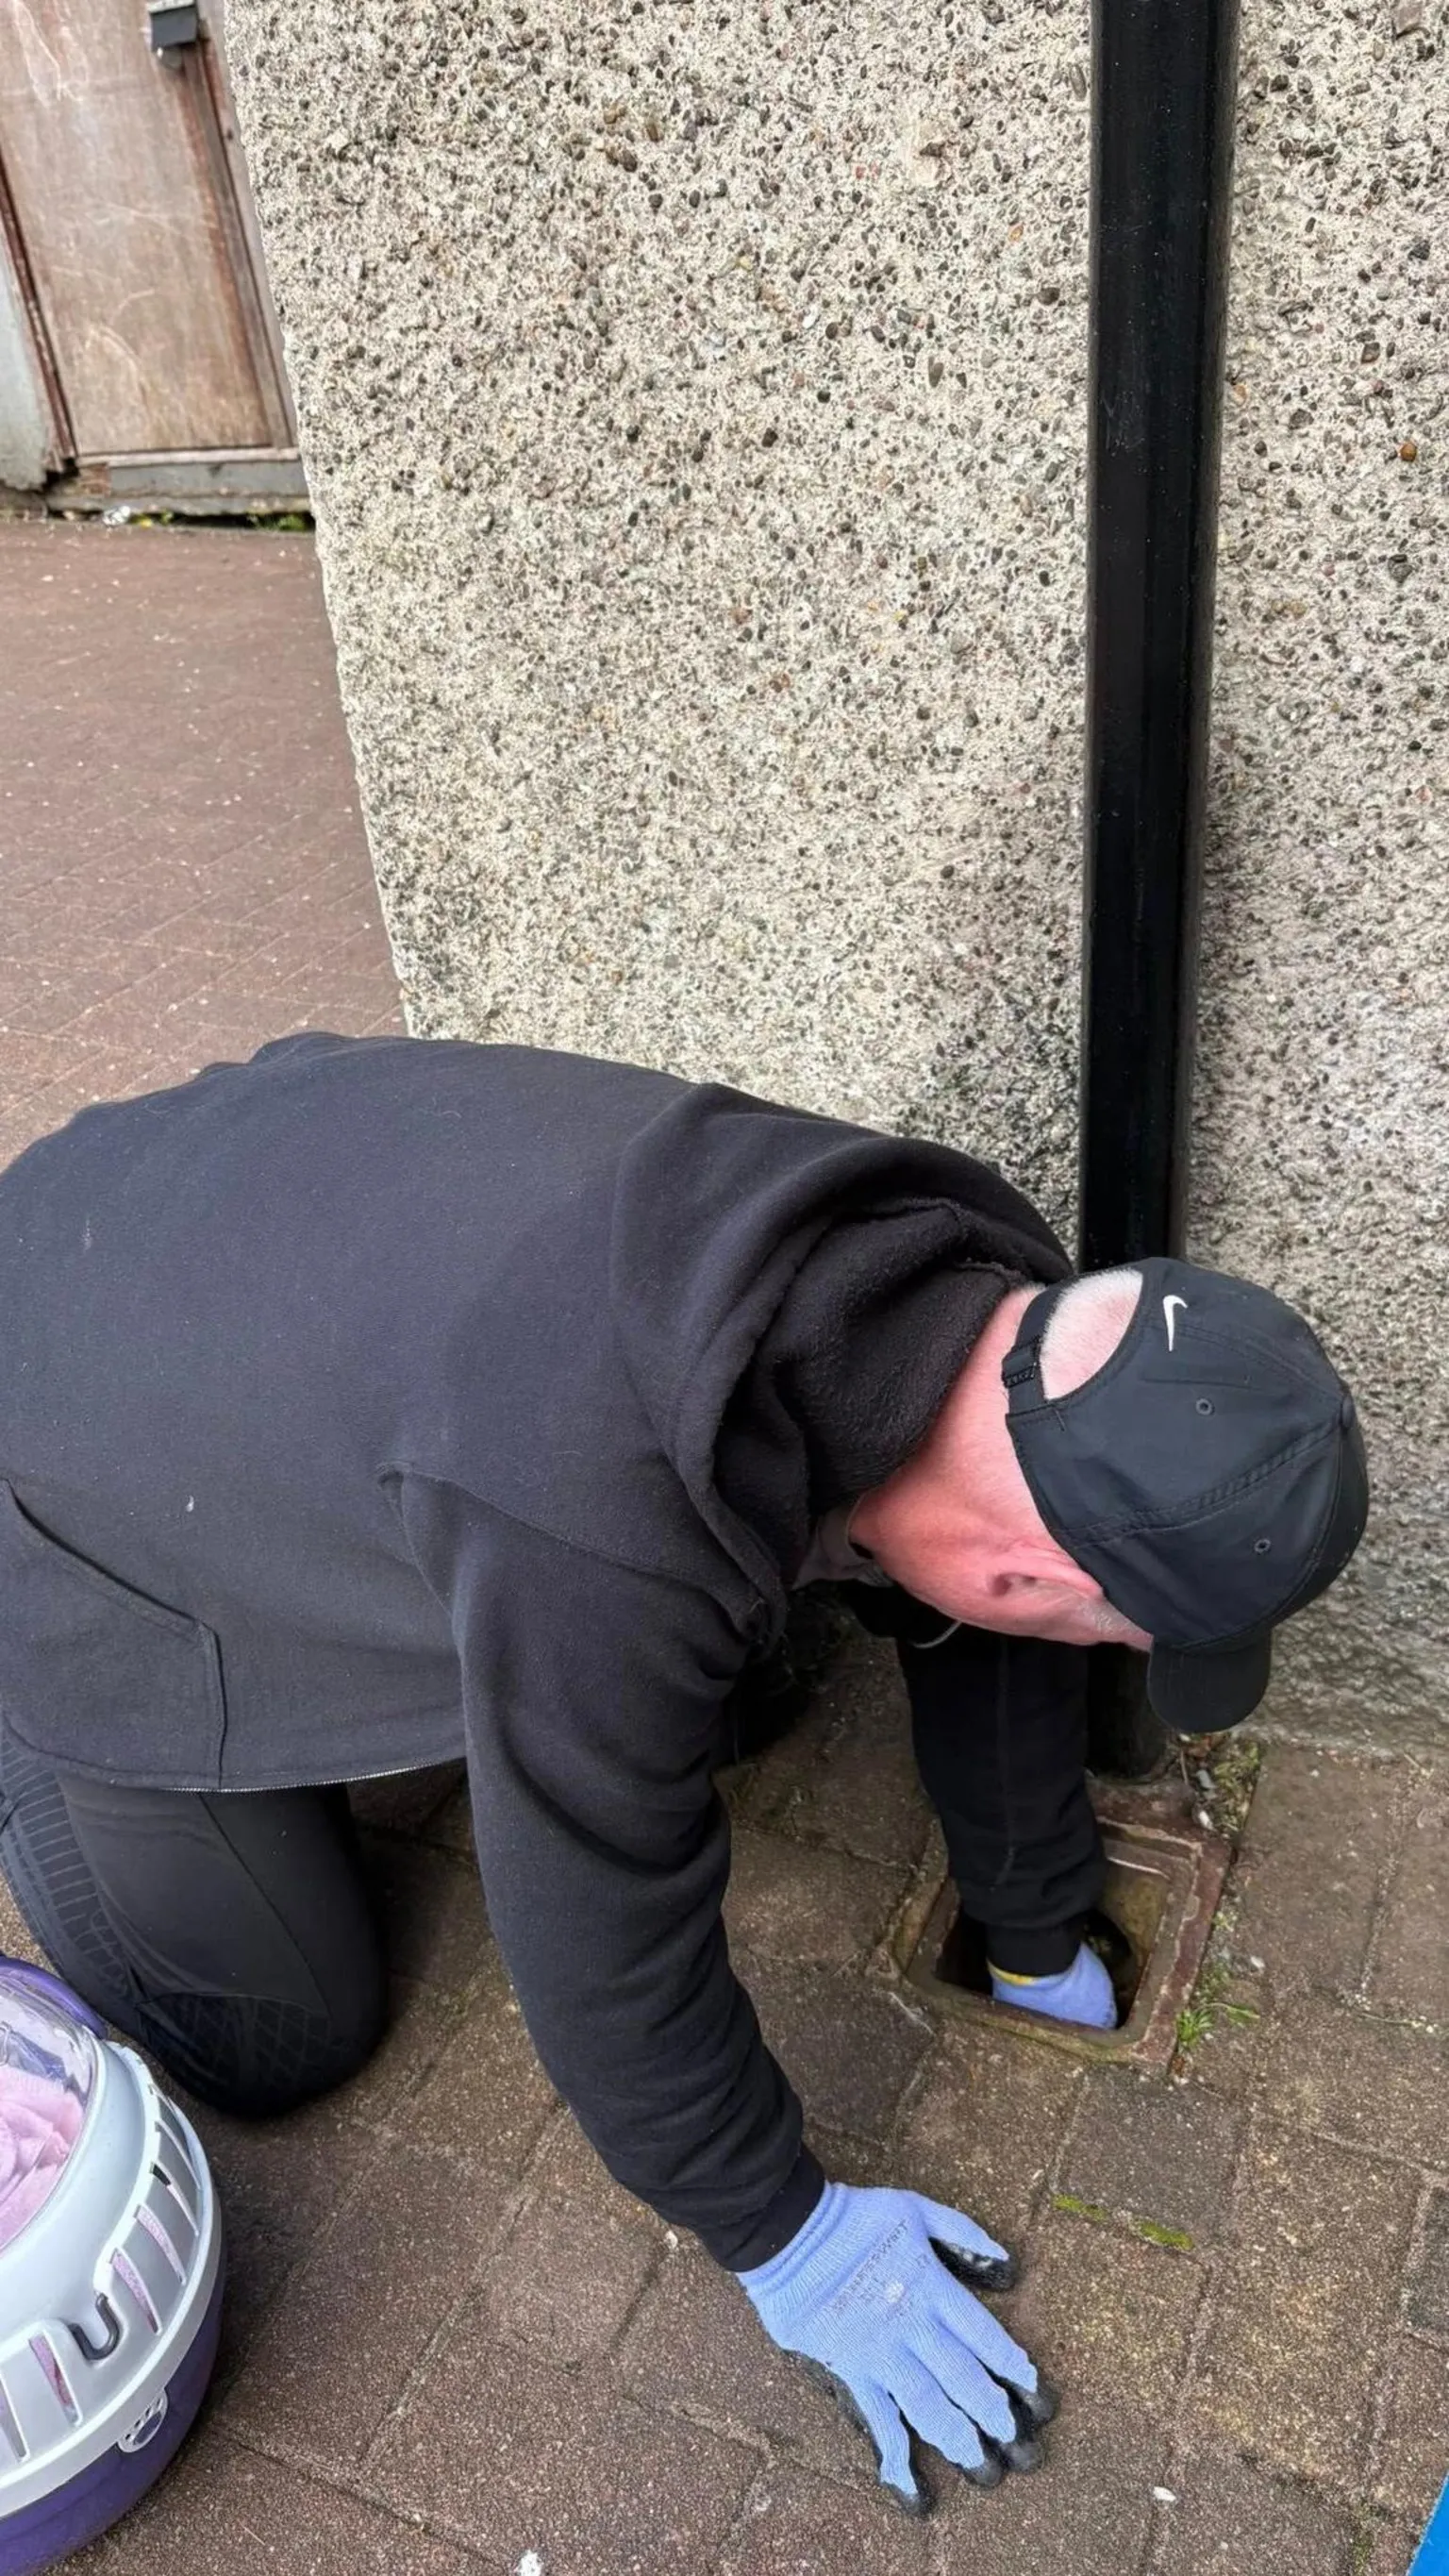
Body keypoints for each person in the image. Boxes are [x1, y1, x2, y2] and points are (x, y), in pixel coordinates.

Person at [0, 1033, 1366, 2514]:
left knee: (701, 1674)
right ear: (1026, 1574)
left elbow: (986, 1610)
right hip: (66, 1474)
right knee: (285, 2035)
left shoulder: (989, 1293)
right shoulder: (598, 1505)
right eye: (1116, 1627)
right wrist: (787, 2232)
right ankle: (40, 1752)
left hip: (245, 1253)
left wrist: (1034, 1919)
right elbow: (594, 1927)